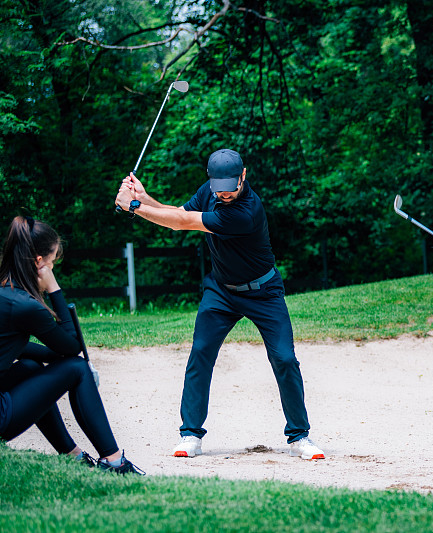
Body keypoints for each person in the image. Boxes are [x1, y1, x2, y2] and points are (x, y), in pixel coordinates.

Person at [114, 148, 324, 460]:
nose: (224, 194)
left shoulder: (246, 211)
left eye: (231, 187)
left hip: (263, 292)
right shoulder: (209, 191)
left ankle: (299, 437)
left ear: (244, 176)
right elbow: (179, 213)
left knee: (284, 358)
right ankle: (190, 435)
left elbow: (182, 223)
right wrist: (146, 200)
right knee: (200, 353)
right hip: (222, 291)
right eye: (218, 188)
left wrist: (133, 206)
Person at [0, 216, 144, 474]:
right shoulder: (24, 306)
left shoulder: (5, 294)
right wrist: (54, 288)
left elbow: (20, 349)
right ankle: (115, 462)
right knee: (77, 368)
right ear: (39, 263)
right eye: (52, 262)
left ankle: (73, 456)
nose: (52, 268)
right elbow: (72, 347)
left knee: (32, 367)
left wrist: (55, 358)